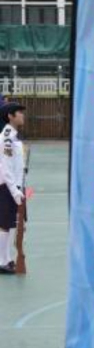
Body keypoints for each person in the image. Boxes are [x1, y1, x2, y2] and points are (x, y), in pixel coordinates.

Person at [0, 102, 26, 274]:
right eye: (19, 113)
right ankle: (2, 261)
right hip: (8, 186)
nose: (22, 116)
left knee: (10, 224)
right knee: (4, 224)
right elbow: (5, 167)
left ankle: (8, 259)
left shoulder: (14, 136)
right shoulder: (7, 137)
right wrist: (15, 191)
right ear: (10, 116)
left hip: (16, 185)